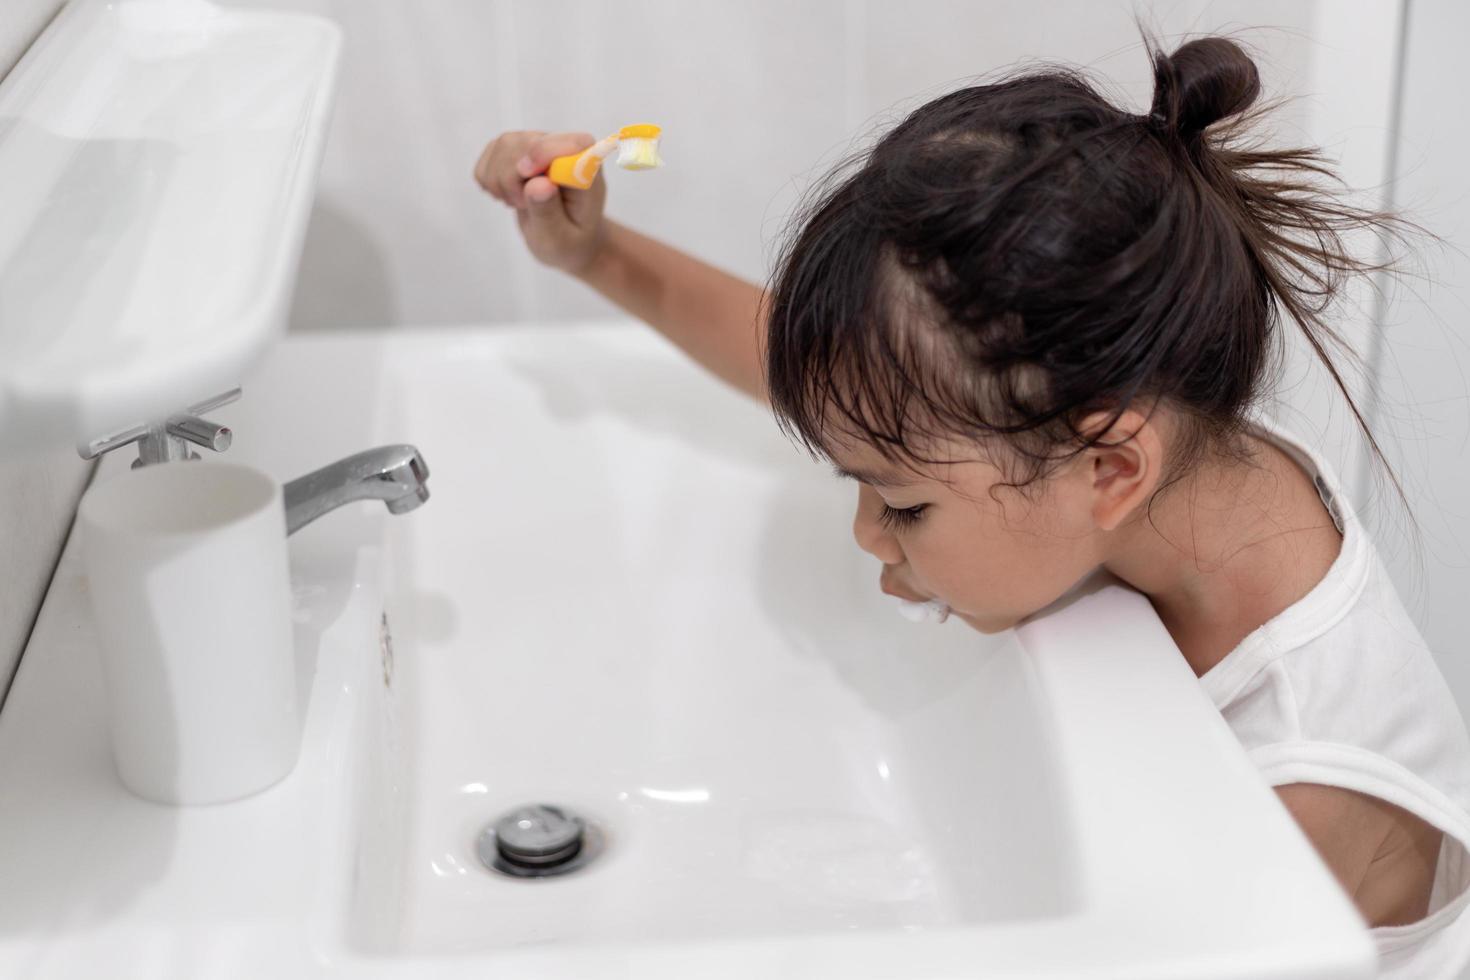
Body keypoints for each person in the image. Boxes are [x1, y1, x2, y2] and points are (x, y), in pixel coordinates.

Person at [474, 34, 1470, 977]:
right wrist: (595, 255)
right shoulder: (1167, 450)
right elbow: (840, 380)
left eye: (901, 505)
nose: (867, 533)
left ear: (1109, 472)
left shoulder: (1294, 803)